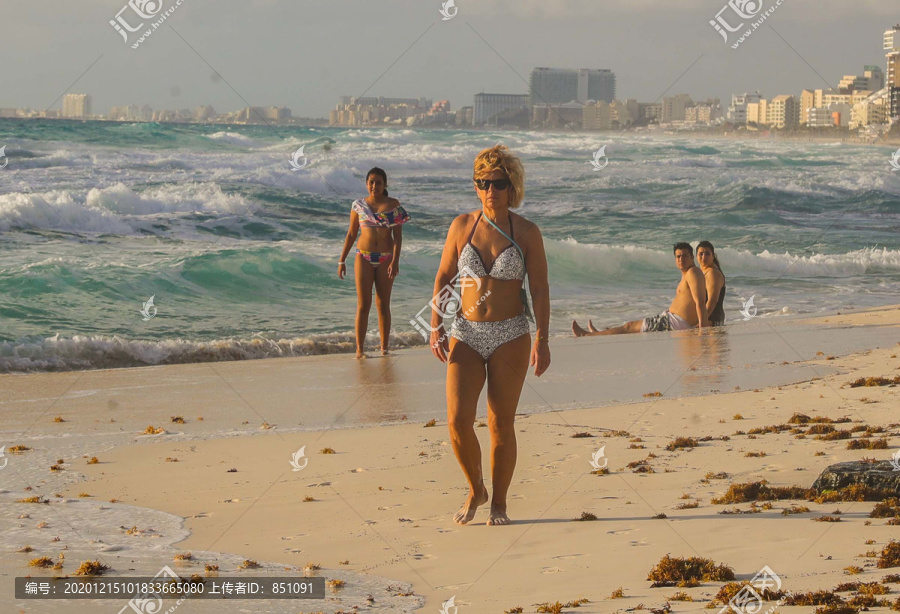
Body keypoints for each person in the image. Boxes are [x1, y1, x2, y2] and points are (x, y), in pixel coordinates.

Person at [429, 145, 550, 526]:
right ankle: (475, 487)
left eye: (497, 183)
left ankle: (499, 503)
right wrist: (435, 324)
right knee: (457, 421)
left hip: (511, 333)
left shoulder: (527, 232)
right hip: (465, 331)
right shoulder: (462, 226)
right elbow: (445, 276)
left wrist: (542, 340)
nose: (489, 190)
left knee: (500, 421)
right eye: (482, 183)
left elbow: (541, 289)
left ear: (511, 187)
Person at [338, 168, 410, 358]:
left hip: (386, 258)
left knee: (383, 303)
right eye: (371, 182)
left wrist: (395, 261)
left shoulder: (393, 205)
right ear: (366, 183)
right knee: (363, 304)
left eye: (378, 182)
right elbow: (351, 234)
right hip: (364, 257)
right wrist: (342, 260)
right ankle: (360, 350)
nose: (374, 186)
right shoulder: (358, 206)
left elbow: (398, 237)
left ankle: (384, 348)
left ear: (385, 184)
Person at [572, 242, 709, 336]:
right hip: (671, 322)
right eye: (678, 256)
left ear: (692, 257)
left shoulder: (693, 272)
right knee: (630, 329)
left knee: (629, 327)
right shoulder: (687, 275)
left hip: (672, 323)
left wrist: (703, 330)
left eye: (685, 256)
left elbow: (700, 302)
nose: (681, 259)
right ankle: (599, 334)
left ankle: (588, 335)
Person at [697, 241, 726, 326]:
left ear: (713, 256)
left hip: (712, 321)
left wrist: (702, 321)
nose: (703, 257)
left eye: (707, 254)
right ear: (696, 256)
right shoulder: (704, 271)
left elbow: (712, 300)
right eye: (701, 254)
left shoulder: (712, 273)